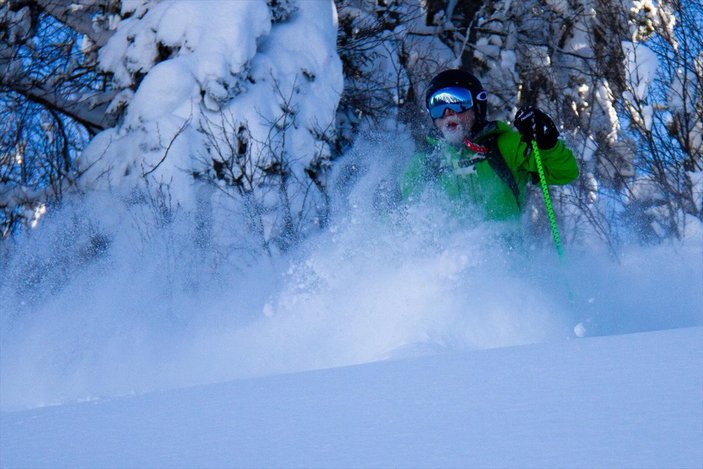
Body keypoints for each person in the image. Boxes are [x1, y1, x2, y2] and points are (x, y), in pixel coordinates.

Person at [401, 69, 579, 227]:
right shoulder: (428, 161)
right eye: (437, 106)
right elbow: (400, 210)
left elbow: (565, 172)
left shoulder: (504, 146)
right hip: (447, 262)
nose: (448, 112)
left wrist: (546, 144)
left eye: (458, 101)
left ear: (477, 106)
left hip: (506, 261)